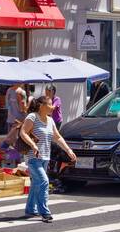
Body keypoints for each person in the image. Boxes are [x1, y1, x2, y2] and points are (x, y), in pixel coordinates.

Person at [18, 92, 76, 223]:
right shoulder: (32, 117)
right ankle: (45, 212)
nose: (53, 107)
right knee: (44, 182)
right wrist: (33, 145)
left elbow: (58, 137)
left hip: (45, 158)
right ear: (41, 106)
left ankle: (30, 209)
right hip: (33, 158)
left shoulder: (50, 121)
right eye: (50, 104)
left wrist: (68, 149)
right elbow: (23, 132)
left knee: (36, 184)